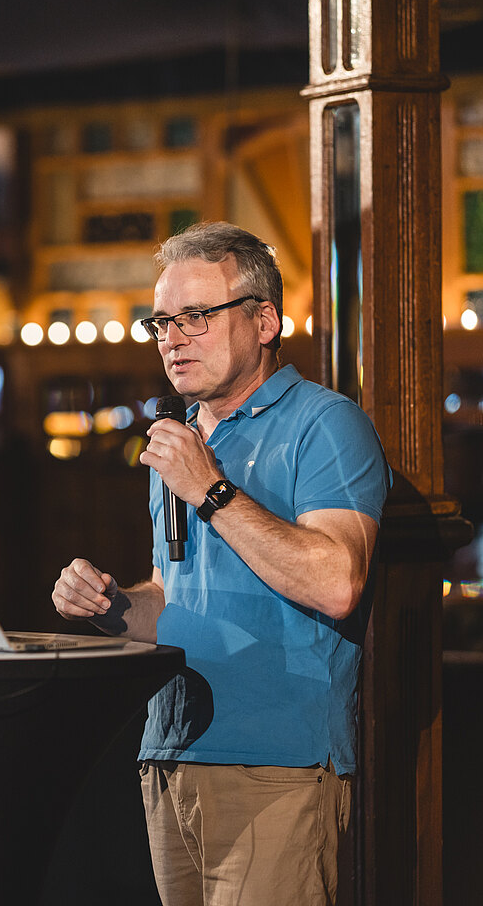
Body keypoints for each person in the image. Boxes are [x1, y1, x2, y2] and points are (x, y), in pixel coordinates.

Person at [51, 221, 390, 906]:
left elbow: (337, 583)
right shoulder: (180, 440)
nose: (172, 339)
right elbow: (172, 597)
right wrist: (110, 605)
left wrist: (209, 488)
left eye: (196, 316)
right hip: (171, 754)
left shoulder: (325, 424)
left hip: (275, 764)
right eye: (161, 322)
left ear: (264, 321)